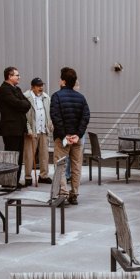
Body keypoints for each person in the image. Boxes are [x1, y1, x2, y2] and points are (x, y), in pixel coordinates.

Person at [50, 66, 90, 205]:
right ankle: (74, 194)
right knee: (76, 166)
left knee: (60, 166)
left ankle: (63, 194)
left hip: (63, 139)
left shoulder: (56, 96)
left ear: (63, 81)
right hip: (77, 139)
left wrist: (63, 136)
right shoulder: (81, 98)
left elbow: (55, 117)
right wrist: (78, 135)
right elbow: (85, 117)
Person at [0, 66, 30, 185]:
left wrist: (22, 104)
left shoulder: (17, 89)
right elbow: (17, 104)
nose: (19, 77)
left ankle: (15, 180)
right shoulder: (4, 90)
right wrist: (21, 104)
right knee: (11, 156)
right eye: (17, 75)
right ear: (9, 76)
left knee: (19, 157)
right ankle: (8, 181)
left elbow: (27, 104)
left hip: (19, 128)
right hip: (10, 129)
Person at [23, 77, 53, 186]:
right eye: (38, 86)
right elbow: (24, 116)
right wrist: (29, 129)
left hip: (44, 130)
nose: (41, 87)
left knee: (44, 154)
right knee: (29, 155)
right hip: (32, 131)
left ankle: (43, 176)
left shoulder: (46, 97)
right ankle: (28, 176)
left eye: (42, 85)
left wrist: (50, 124)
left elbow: (49, 113)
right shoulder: (26, 97)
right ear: (32, 87)